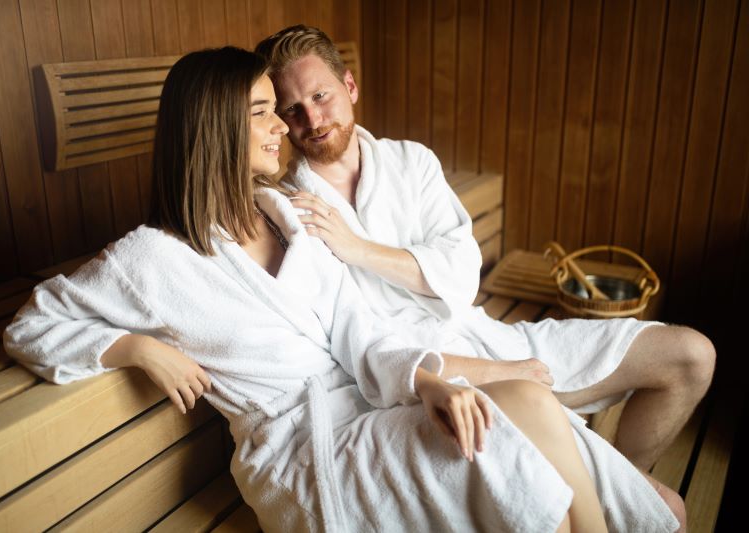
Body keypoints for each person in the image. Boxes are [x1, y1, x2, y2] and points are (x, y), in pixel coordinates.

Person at [4, 47, 678, 533]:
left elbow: (361, 332)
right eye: (266, 112)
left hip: (367, 407)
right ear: (217, 126)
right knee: (502, 449)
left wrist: (429, 383)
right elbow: (34, 323)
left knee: (524, 403)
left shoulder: (283, 214)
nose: (282, 128)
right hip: (304, 454)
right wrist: (133, 349)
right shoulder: (153, 258)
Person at [254, 23, 713, 512]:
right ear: (280, 121)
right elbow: (360, 343)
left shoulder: (412, 162)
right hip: (435, 381)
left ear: (350, 86)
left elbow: (461, 269)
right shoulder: (290, 208)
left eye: (321, 95)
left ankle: (620, 478)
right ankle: (620, 493)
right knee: (671, 512)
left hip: (490, 335)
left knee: (690, 355)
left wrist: (358, 248)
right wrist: (496, 372)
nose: (313, 118)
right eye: (292, 109)